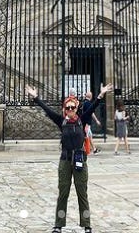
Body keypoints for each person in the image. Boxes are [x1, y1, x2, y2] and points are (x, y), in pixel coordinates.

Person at [26, 81, 113, 233]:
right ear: (65, 109)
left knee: (82, 192)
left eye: (73, 107)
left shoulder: (82, 119)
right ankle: (58, 224)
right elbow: (47, 110)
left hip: (80, 160)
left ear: (77, 108)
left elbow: (93, 106)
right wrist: (36, 98)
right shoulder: (61, 121)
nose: (70, 110)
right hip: (65, 160)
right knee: (63, 192)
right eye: (68, 108)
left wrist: (100, 95)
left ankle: (86, 225)